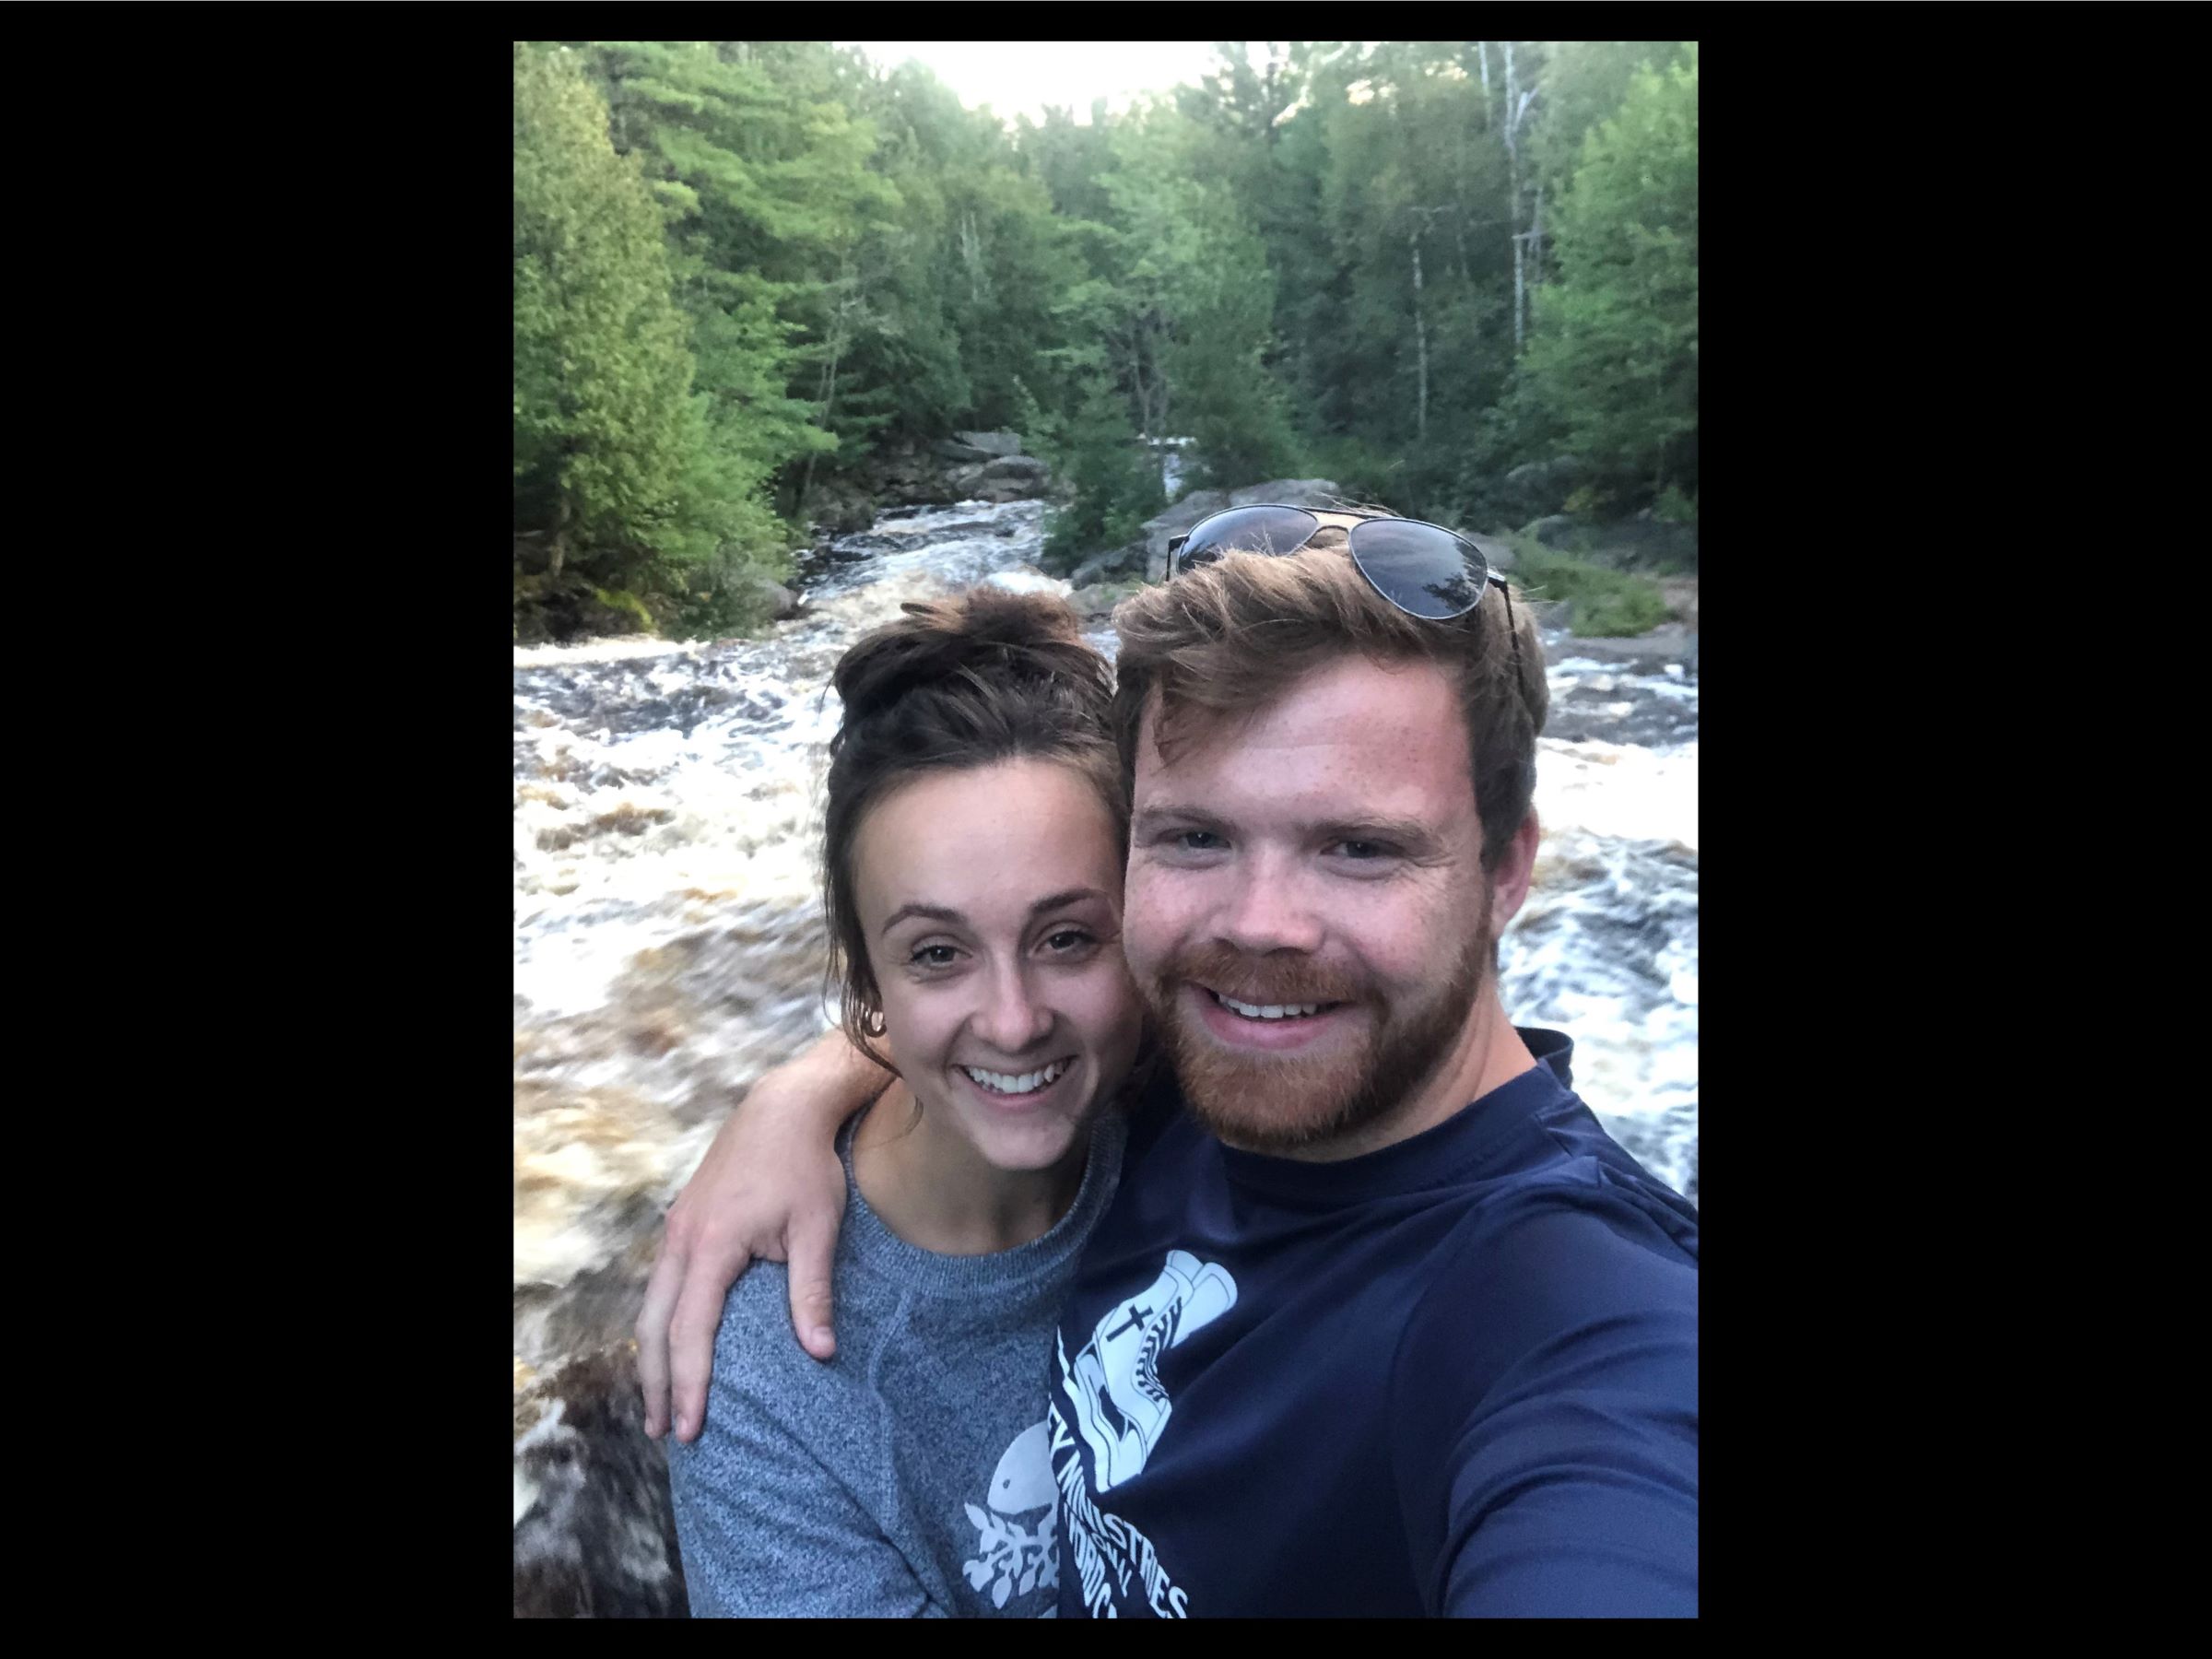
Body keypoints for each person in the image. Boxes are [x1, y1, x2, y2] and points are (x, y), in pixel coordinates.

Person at [643, 506, 1700, 1617]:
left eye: (1358, 847)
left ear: (1504, 869)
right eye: (1197, 837)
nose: (1259, 929)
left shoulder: (1580, 1324)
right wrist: (799, 1094)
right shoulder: (1192, 1076)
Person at [663, 590, 1147, 1616]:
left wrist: (798, 1087)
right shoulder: (767, 1372)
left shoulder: (1208, 1114)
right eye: (938, 954)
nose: (1014, 1022)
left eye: (1067, 938)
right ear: (867, 986)